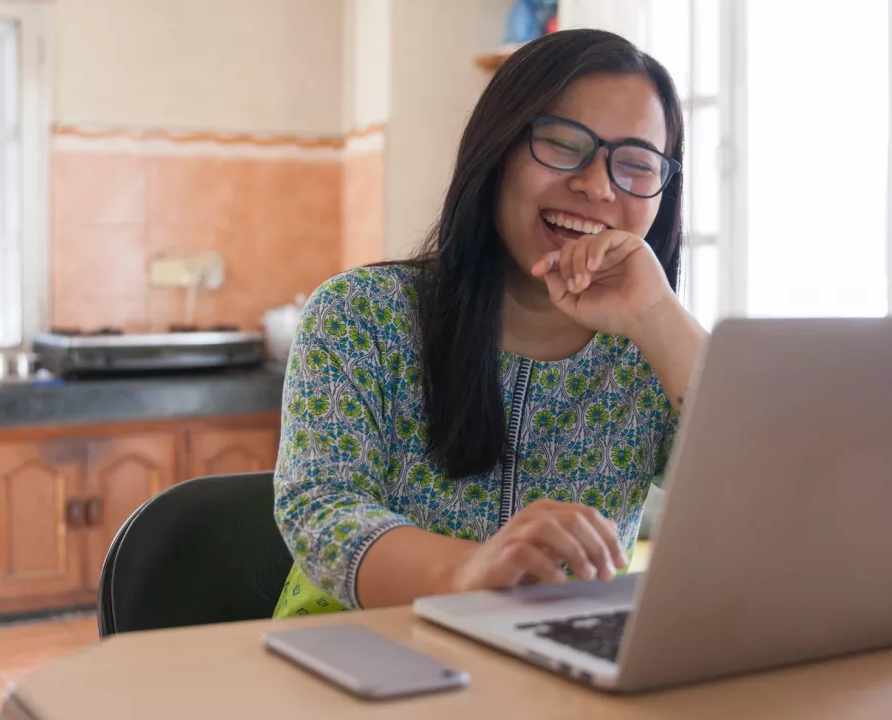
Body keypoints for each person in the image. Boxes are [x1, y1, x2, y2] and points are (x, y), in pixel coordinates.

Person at [272, 28, 708, 618]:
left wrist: (659, 318)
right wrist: (467, 571)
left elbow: (768, 494)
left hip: (560, 671)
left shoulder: (652, 346)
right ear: (496, 151)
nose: (597, 186)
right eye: (561, 144)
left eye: (635, 164)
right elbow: (319, 508)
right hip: (360, 654)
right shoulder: (361, 315)